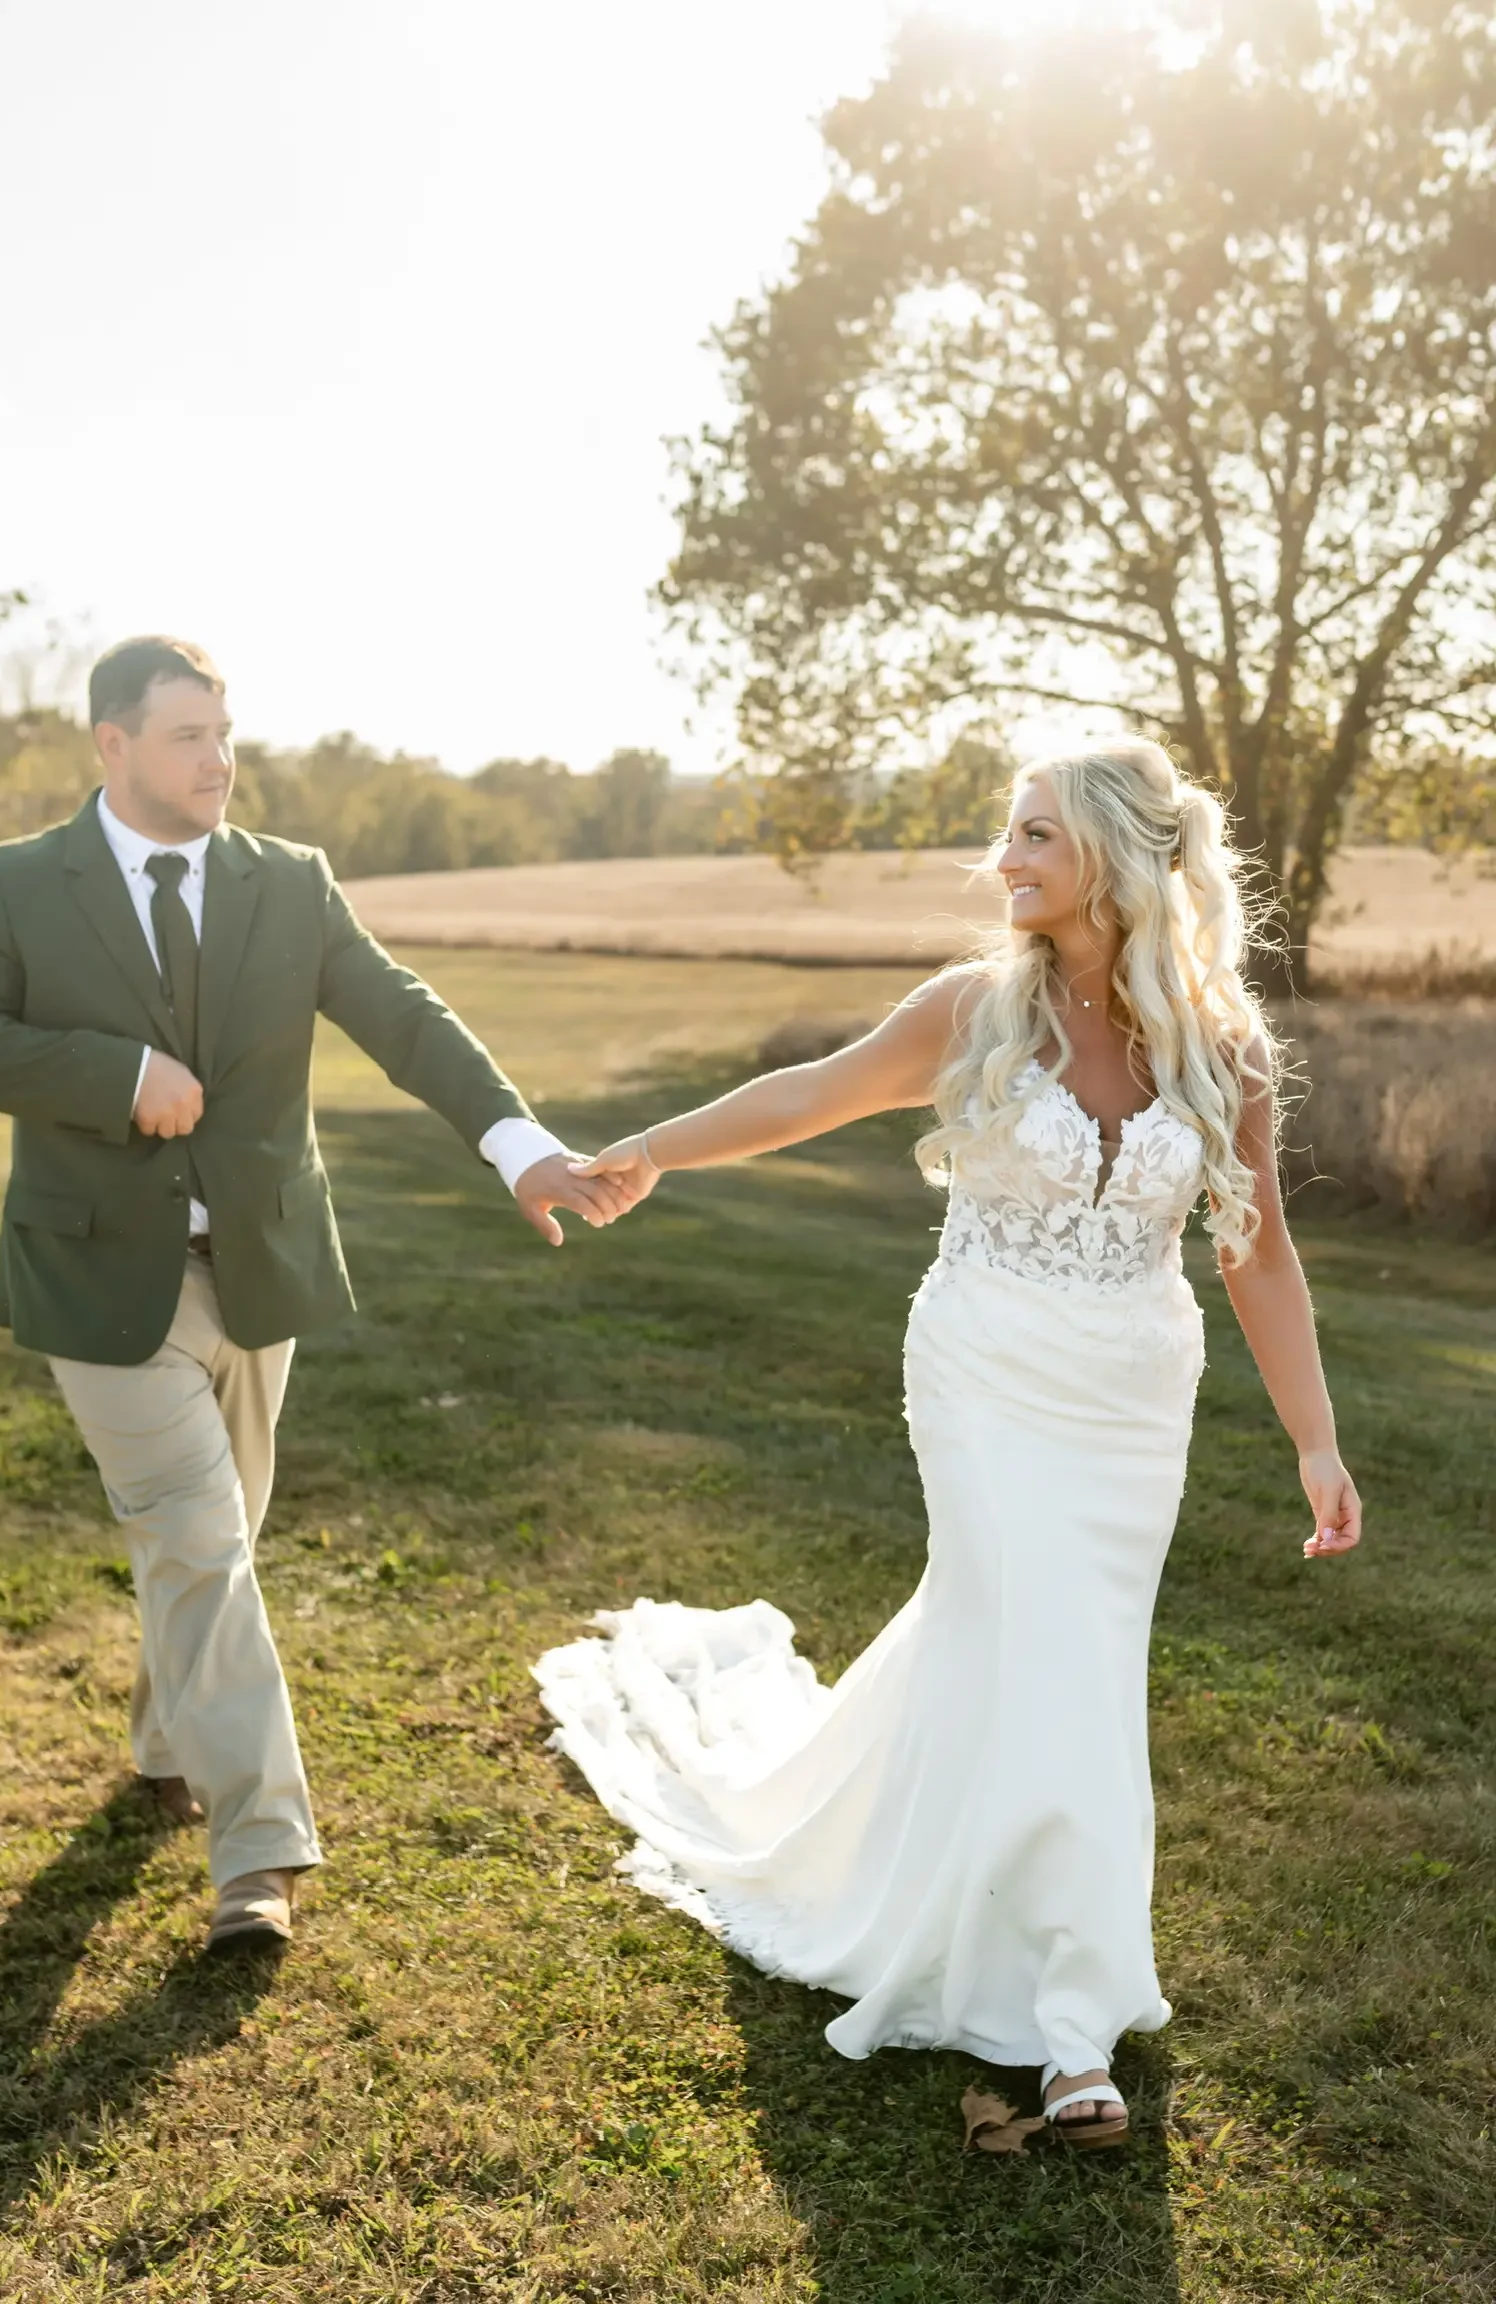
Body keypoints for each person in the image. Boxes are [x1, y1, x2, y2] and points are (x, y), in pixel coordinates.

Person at [536, 739, 1362, 2148]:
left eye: (1036, 833)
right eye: (1010, 832)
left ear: (1111, 854)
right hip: (984, 1370)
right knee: (1037, 1632)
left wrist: (1316, 1442)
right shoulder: (974, 1009)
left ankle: (1014, 1936)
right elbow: (811, 1092)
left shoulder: (1221, 1050)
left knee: (1059, 1658)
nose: (1008, 857)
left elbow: (1258, 1255)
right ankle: (1071, 2029)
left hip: (1130, 1398)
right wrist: (654, 1149)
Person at [0, 636, 632, 1952]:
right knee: (200, 1540)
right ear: (112, 744)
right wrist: (112, 1075)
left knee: (212, 1546)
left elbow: (404, 1019)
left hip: (259, 1269)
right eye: (187, 736)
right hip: (98, 1280)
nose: (221, 759)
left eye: (226, 732)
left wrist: (518, 1148)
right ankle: (259, 1850)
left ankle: (167, 1737)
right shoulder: (11, 888)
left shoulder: (290, 885)